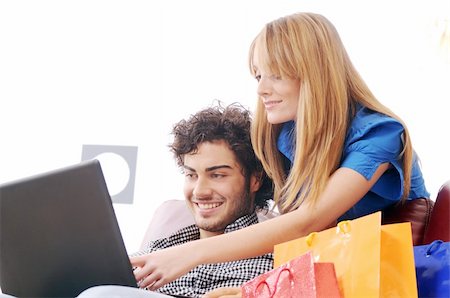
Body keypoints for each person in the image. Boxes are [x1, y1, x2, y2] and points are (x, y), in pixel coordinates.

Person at [129, 12, 429, 297]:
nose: (261, 89)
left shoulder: (380, 133)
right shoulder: (284, 133)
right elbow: (298, 237)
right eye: (258, 76)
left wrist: (186, 256)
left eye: (276, 75)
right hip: (324, 271)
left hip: (378, 276)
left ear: (315, 73)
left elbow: (307, 222)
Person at [74, 103, 274, 298]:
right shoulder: (154, 255)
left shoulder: (275, 265)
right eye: (191, 175)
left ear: (255, 179)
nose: (200, 191)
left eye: (218, 175)